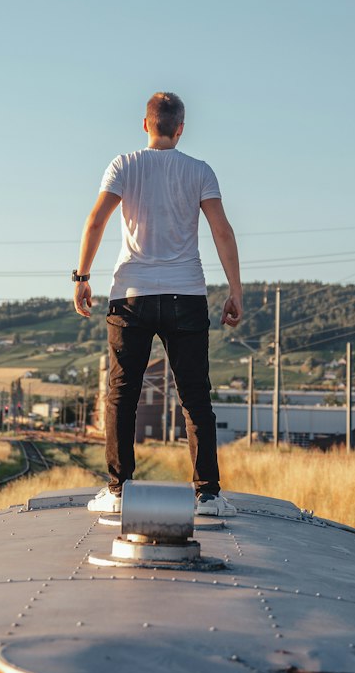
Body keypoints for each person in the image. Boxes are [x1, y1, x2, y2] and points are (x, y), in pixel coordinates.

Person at [72, 91, 242, 517]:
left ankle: (117, 491)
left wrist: (82, 276)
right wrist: (235, 292)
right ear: (180, 129)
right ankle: (207, 495)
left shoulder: (124, 165)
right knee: (194, 396)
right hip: (186, 295)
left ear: (145, 124)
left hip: (131, 295)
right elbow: (222, 231)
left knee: (121, 394)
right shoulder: (200, 171)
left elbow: (96, 220)